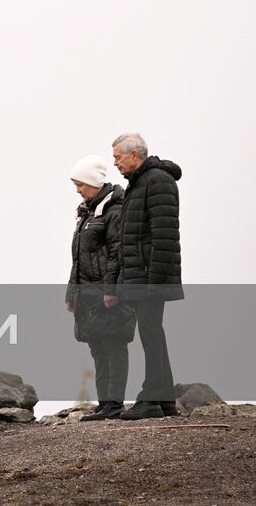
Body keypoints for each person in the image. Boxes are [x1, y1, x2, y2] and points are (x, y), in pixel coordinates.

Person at [111, 132, 183, 420]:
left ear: (134, 155)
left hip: (151, 277)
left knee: (151, 334)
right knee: (152, 333)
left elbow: (164, 235)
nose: (115, 163)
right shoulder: (139, 183)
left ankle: (151, 399)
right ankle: (164, 401)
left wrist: (154, 281)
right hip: (142, 276)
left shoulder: (157, 181)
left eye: (118, 157)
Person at [65, 154, 134, 420]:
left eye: (80, 184)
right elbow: (78, 259)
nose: (77, 190)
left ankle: (114, 404)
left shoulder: (114, 211)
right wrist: (72, 293)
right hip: (87, 295)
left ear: (94, 182)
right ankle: (104, 403)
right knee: (97, 347)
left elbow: (119, 253)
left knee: (114, 345)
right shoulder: (87, 213)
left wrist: (112, 290)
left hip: (107, 293)